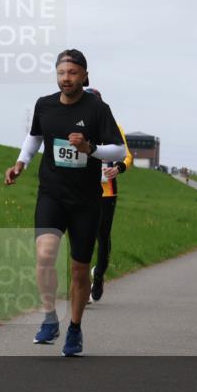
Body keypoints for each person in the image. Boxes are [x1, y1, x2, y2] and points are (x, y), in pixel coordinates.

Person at [4, 49, 125, 356]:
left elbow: (119, 150)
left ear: (84, 75)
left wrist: (90, 148)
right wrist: (21, 163)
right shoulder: (44, 105)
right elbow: (35, 137)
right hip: (52, 194)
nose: (66, 78)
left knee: (79, 270)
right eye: (61, 73)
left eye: (72, 73)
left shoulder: (98, 109)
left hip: (86, 201)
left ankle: (74, 328)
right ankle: (49, 318)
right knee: (45, 255)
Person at [82, 87, 132, 304]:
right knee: (83, 237)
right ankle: (82, 286)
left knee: (102, 236)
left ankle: (99, 275)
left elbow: (127, 155)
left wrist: (118, 168)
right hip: (82, 189)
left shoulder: (115, 127)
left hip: (107, 191)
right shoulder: (78, 127)